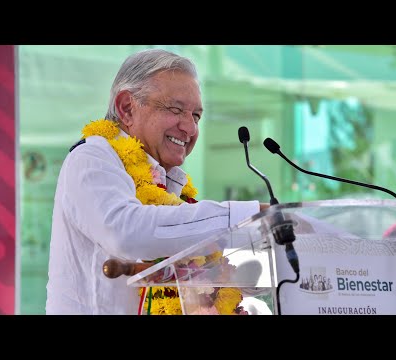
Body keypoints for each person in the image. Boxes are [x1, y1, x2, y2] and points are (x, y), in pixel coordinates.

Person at [45, 49, 270, 315]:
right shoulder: (92, 158)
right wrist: (243, 217)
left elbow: (220, 276)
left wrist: (276, 248)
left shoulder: (172, 187)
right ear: (127, 108)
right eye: (176, 110)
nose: (189, 128)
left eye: (196, 116)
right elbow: (126, 233)